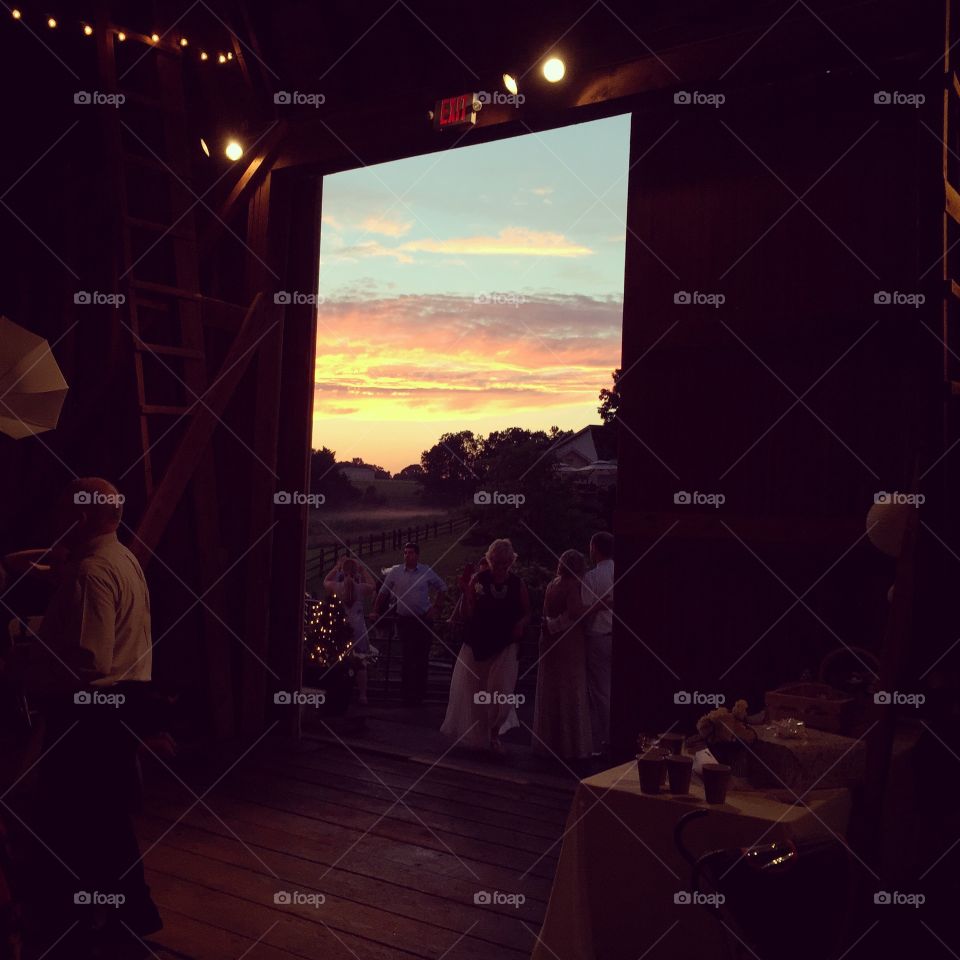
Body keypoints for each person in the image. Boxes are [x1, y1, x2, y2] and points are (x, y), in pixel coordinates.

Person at [29, 477, 162, 956]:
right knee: (103, 814)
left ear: (81, 517)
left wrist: (29, 660)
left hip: (91, 712)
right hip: (122, 705)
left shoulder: (91, 573)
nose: (53, 517)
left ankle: (97, 922)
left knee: (81, 817)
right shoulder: (120, 558)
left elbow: (89, 661)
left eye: (62, 510)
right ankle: (120, 915)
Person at [441, 539, 530, 754]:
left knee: (502, 690)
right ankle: (483, 736)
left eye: (504, 564)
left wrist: (520, 623)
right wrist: (466, 594)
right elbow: (467, 615)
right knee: (477, 691)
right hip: (479, 643)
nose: (500, 568)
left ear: (510, 562)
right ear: (490, 560)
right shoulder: (478, 580)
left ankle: (495, 730)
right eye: (496, 563)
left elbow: (527, 612)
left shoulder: (518, 584)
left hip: (506, 643)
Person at [533, 550, 594, 761]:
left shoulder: (552, 584)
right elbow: (575, 612)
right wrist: (598, 606)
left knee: (551, 690)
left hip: (549, 641)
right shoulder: (572, 585)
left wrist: (551, 626)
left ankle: (549, 741)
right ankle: (571, 745)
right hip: (569, 643)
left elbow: (546, 614)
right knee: (571, 689)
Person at [371, 542, 446, 705]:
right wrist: (376, 610)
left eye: (410, 553)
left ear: (417, 555)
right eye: (405, 553)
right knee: (407, 656)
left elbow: (442, 587)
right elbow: (383, 592)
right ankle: (406, 695)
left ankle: (420, 694)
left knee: (421, 657)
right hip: (404, 619)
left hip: (423, 619)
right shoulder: (396, 572)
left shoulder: (425, 571)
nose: (407, 556)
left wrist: (436, 608)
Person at [324, 554, 377, 704]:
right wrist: (363, 569)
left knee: (338, 660)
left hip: (342, 627)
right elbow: (373, 585)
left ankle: (338, 691)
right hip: (358, 628)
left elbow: (326, 581)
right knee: (360, 662)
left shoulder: (337, 587)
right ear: (356, 573)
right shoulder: (360, 589)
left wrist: (336, 568)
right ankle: (362, 695)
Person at [582, 531, 615, 755]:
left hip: (599, 636)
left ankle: (605, 741)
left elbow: (584, 610)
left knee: (600, 691)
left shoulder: (592, 577)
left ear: (594, 547)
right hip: (620, 637)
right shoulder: (620, 570)